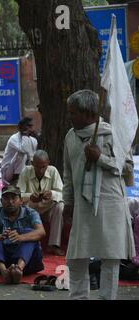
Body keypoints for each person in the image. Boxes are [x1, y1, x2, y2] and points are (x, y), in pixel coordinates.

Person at [63, 89, 135, 300]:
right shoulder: (70, 136)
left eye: (74, 113)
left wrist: (100, 157)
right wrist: (68, 202)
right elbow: (68, 172)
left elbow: (128, 168)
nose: (71, 116)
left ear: (87, 113)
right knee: (77, 258)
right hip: (82, 205)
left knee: (110, 258)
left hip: (110, 203)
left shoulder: (113, 134)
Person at [0, 185, 45, 284]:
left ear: (21, 200)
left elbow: (41, 232)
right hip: (4, 262)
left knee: (29, 232)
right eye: (6, 199)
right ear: (1, 201)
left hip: (29, 263)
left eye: (14, 198)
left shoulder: (31, 213)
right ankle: (4, 272)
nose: (10, 202)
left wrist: (21, 237)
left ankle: (19, 269)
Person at [17, 149, 65, 256]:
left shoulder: (53, 171)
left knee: (60, 206)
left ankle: (54, 244)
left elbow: (62, 194)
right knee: (22, 207)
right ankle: (27, 243)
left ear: (48, 163)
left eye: (43, 166)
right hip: (31, 208)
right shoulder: (26, 171)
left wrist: (51, 194)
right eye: (37, 166)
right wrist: (30, 196)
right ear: (32, 163)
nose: (40, 170)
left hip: (48, 208)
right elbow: (18, 194)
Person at [0, 117, 37, 187]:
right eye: (28, 126)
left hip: (26, 172)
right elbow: (24, 149)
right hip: (9, 173)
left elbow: (32, 156)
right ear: (21, 127)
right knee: (21, 155)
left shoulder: (33, 140)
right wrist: (25, 135)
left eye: (31, 126)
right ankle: (16, 181)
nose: (30, 129)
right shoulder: (14, 138)